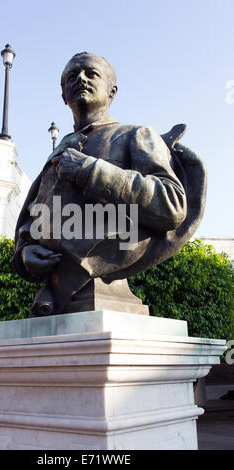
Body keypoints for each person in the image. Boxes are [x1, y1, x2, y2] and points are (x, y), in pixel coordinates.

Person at [13, 52, 206, 316]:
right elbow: (33, 216)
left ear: (111, 90)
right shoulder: (57, 152)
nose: (80, 78)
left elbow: (170, 203)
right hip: (56, 297)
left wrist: (88, 170)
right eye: (72, 76)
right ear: (63, 95)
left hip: (106, 281)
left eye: (91, 74)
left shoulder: (135, 135)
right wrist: (25, 253)